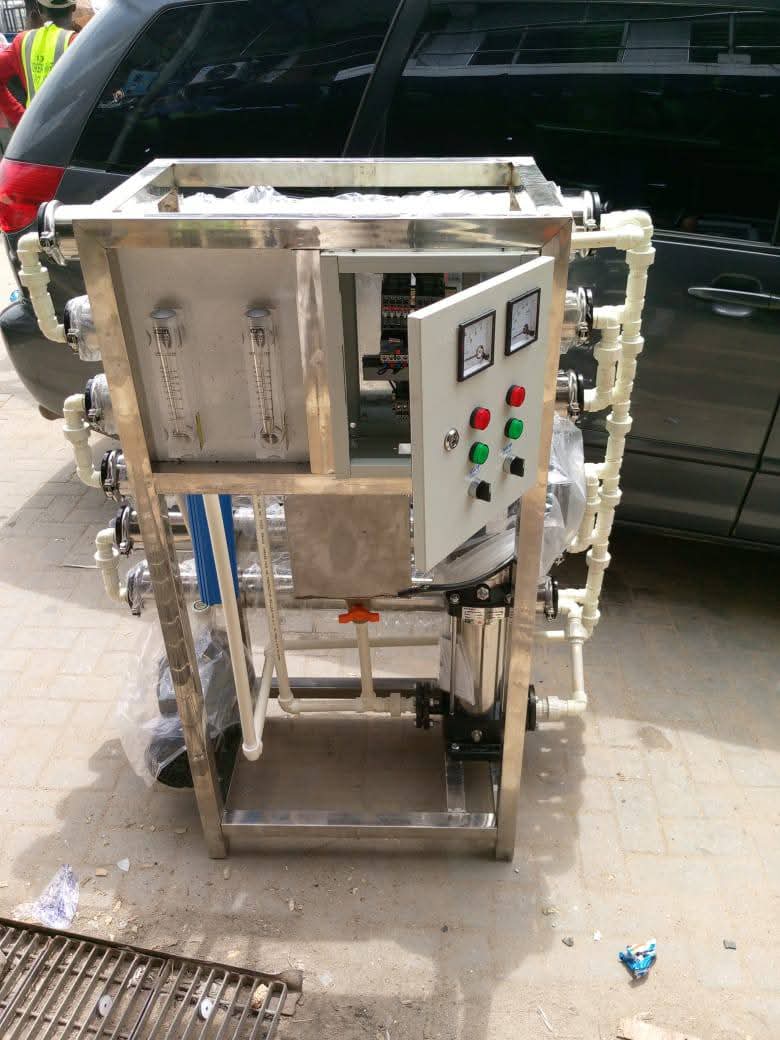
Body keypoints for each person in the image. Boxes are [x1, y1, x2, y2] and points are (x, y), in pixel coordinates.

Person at [0, 0, 77, 130]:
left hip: (34, 132)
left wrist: (19, 116)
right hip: (74, 131)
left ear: (39, 8)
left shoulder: (22, 42)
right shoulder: (82, 44)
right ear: (73, 7)